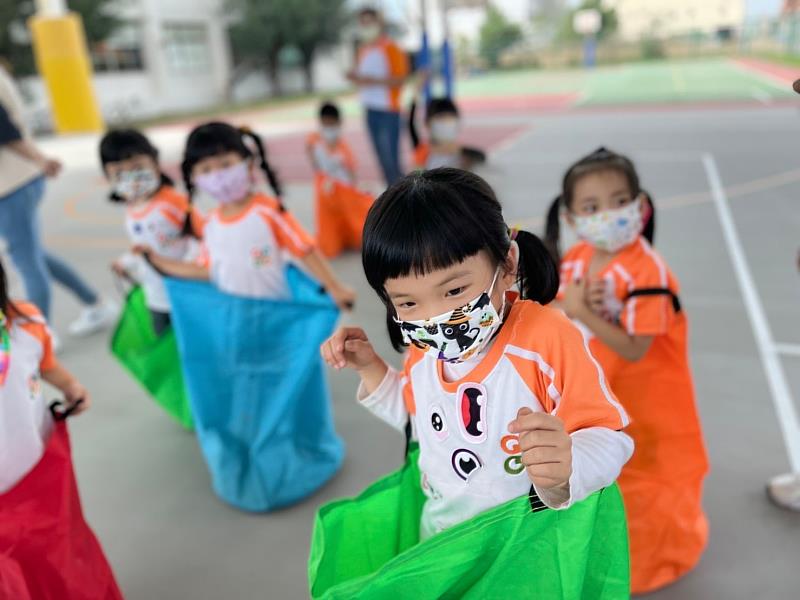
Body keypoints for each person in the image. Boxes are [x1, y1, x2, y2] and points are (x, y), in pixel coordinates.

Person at [321, 167, 633, 540]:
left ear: (507, 265)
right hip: (441, 539)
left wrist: (568, 466)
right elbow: (421, 424)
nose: (435, 318)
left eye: (453, 291)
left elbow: (610, 437)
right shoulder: (424, 349)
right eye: (408, 302)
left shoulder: (546, 339)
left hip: (523, 547)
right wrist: (370, 368)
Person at [545, 147, 709, 594]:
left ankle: (651, 565)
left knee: (650, 485)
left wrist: (583, 309)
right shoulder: (577, 257)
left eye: (619, 201)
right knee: (609, 478)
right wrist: (571, 304)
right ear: (573, 216)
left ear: (640, 204)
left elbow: (636, 349)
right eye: (592, 207)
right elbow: (561, 305)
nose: (608, 214)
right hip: (606, 398)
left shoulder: (648, 271)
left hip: (652, 406)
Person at [0, 257, 123, 598]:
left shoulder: (25, 324)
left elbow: (45, 363)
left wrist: (70, 386)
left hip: (41, 481)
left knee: (58, 557)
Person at [140, 122, 355, 308]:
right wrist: (157, 261)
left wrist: (334, 288)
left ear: (248, 163)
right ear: (193, 178)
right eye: (206, 170)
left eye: (225, 164)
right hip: (239, 320)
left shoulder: (268, 211)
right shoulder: (211, 224)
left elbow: (305, 249)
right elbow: (206, 270)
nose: (217, 175)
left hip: (278, 313)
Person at [0, 65, 116, 342]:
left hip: (13, 182)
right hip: (18, 179)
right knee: (32, 254)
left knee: (26, 260)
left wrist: (39, 159)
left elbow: (6, 132)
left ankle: (38, 340)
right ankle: (96, 304)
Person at [100, 128, 203, 335]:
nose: (132, 178)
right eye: (120, 173)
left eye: (138, 167)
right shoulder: (132, 208)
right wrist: (126, 262)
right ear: (107, 175)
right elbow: (144, 247)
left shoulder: (173, 202)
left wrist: (186, 269)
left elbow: (202, 239)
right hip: (156, 298)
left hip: (186, 295)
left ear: (155, 162)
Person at [347, 7, 410, 186]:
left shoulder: (391, 48)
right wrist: (355, 78)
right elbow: (362, 80)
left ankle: (402, 200)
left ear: (379, 23)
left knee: (391, 162)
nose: (366, 26)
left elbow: (400, 80)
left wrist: (372, 80)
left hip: (388, 111)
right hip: (370, 110)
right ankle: (393, 200)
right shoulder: (363, 50)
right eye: (363, 23)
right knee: (383, 163)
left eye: (369, 22)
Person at [306, 101, 374, 258]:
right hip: (325, 187)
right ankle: (335, 240)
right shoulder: (314, 140)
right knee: (328, 224)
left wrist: (354, 187)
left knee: (355, 215)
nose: (329, 126)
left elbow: (351, 170)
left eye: (332, 123)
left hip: (343, 187)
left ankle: (360, 238)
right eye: (325, 123)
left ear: (339, 123)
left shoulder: (343, 145)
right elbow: (315, 163)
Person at [408, 95, 486, 171]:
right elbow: (411, 125)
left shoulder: (466, 155)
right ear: (427, 123)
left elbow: (482, 158)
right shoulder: (423, 151)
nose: (446, 122)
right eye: (441, 117)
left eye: (450, 118)